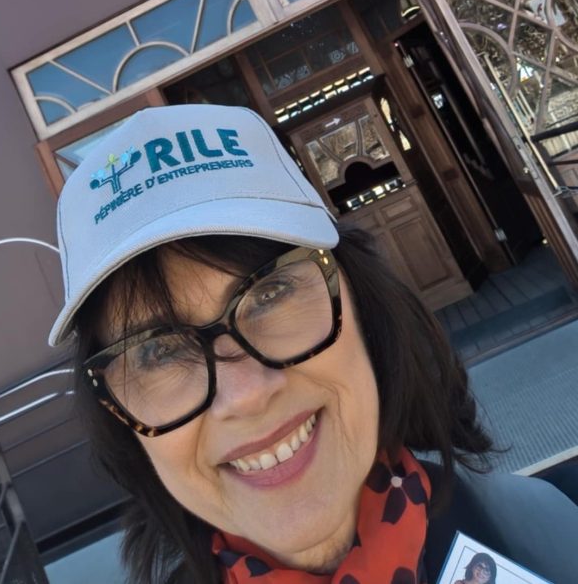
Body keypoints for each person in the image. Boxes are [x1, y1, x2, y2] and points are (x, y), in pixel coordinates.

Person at [48, 104, 578, 584]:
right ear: (118, 416)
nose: (245, 394)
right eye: (156, 351)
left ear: (363, 306)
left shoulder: (552, 532)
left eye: (270, 293)